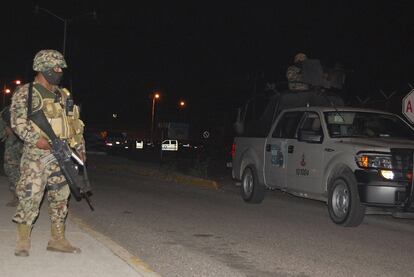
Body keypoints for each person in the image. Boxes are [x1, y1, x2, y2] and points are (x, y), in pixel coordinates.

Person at [10, 49, 86, 257]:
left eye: (61, 67)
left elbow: (74, 125)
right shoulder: (27, 92)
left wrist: (79, 149)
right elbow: (18, 123)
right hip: (37, 155)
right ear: (42, 68)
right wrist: (38, 140)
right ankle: (23, 240)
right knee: (30, 195)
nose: (59, 71)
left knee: (61, 197)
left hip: (62, 154)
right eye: (55, 67)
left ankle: (57, 239)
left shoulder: (63, 94)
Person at [0, 105, 23, 207]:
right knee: (11, 169)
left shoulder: (35, 105)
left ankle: (24, 198)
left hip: (30, 142)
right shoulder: (7, 110)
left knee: (29, 170)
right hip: (13, 142)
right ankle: (17, 196)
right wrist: (6, 129)